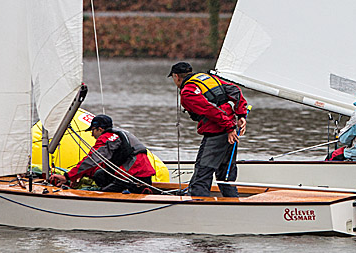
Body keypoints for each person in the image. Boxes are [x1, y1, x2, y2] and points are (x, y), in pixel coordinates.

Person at [168, 61, 248, 198]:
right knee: (226, 174)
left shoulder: (187, 92)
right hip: (231, 130)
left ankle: (198, 207)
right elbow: (235, 91)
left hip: (218, 133)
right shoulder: (207, 78)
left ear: (176, 77)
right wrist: (241, 114)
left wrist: (229, 128)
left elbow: (210, 109)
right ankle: (233, 203)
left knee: (202, 173)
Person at [48, 114, 155, 193]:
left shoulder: (106, 138)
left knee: (103, 190)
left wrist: (67, 176)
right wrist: (80, 175)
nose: (91, 134)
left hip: (132, 177)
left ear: (100, 129)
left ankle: (137, 192)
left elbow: (92, 160)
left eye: (92, 130)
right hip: (143, 176)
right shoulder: (119, 134)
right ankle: (141, 190)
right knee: (99, 174)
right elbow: (103, 164)